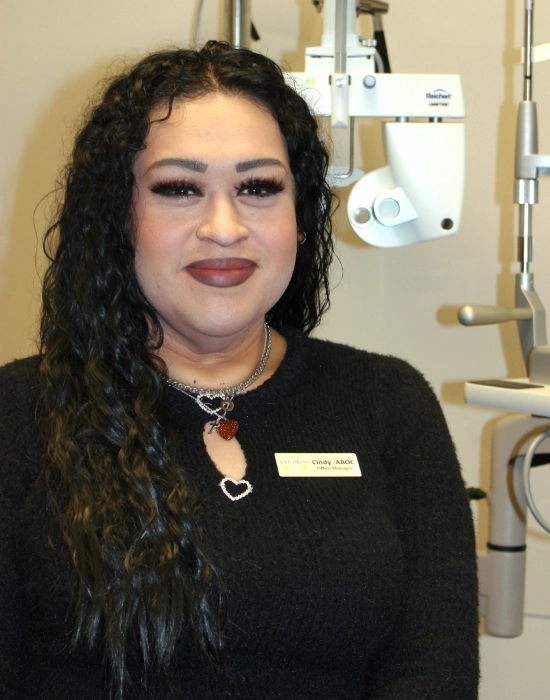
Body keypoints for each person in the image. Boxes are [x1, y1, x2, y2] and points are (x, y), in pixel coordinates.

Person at [0, 41, 479, 699]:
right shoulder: (20, 413)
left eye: (258, 187)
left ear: (302, 219)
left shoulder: (387, 403)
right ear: (118, 217)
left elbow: (432, 672)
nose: (223, 227)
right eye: (178, 189)